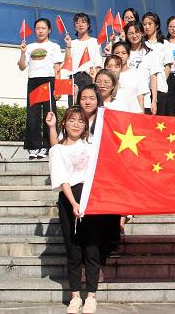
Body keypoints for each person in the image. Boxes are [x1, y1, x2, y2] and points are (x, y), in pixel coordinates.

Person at [44, 107, 101, 314]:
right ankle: (75, 297)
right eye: (72, 120)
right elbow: (62, 179)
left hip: (92, 200)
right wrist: (74, 203)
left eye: (80, 121)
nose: (76, 124)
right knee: (74, 251)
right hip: (70, 200)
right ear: (64, 124)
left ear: (85, 125)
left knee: (92, 250)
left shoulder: (91, 146)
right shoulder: (57, 150)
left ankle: (91, 296)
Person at [17, 18, 63, 160]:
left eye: (43, 28)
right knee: (32, 115)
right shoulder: (29, 46)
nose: (40, 31)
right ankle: (34, 146)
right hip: (33, 81)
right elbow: (22, 67)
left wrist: (58, 88)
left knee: (49, 114)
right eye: (37, 28)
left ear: (49, 30)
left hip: (48, 80)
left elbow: (57, 68)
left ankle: (47, 146)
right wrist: (23, 52)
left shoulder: (54, 46)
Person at [141, 12, 174, 115]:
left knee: (158, 119)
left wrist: (162, 79)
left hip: (160, 87)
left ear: (157, 25)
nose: (147, 27)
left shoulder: (165, 44)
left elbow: (168, 66)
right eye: (144, 24)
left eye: (150, 24)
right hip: (144, 87)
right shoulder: (141, 43)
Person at [67, 13, 103, 107]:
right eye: (77, 23)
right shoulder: (72, 43)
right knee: (73, 106)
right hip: (73, 78)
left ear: (88, 25)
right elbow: (67, 62)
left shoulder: (95, 42)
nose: (80, 25)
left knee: (88, 105)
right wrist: (68, 46)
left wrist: (95, 80)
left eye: (83, 22)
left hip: (88, 77)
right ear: (74, 26)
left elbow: (98, 64)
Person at [110, 41, 146, 113]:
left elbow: (140, 96)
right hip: (114, 114)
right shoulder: (108, 75)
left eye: (123, 53)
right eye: (117, 53)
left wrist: (141, 115)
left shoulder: (136, 74)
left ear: (128, 55)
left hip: (132, 114)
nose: (120, 56)